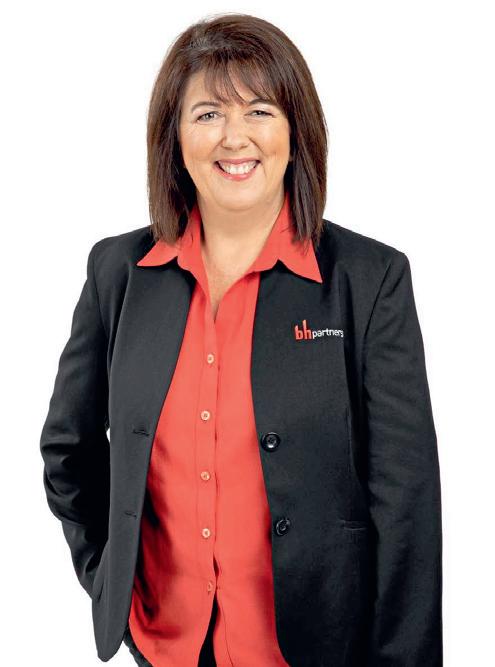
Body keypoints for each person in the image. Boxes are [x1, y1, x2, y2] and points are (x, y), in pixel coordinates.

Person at [39, 12, 443, 667]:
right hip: (166, 646)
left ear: (295, 131)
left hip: (316, 651)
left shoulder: (368, 280)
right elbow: (68, 450)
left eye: (259, 111)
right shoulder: (118, 272)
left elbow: (407, 506)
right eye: (207, 114)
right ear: (174, 136)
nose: (234, 137)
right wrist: (112, 581)